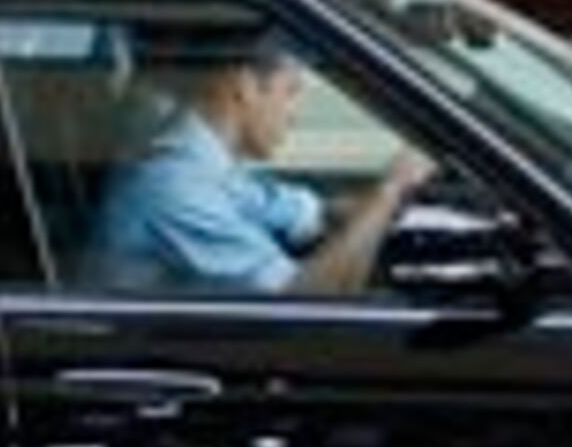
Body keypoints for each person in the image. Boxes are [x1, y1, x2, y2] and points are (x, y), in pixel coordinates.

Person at [81, 28, 429, 296]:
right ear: (245, 85)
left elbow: (316, 213)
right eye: (290, 91)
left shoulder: (211, 168)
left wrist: (389, 205)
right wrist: (388, 191)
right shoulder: (174, 187)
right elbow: (308, 303)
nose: (295, 116)